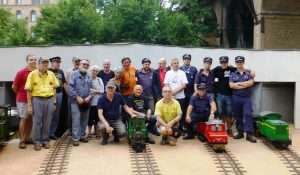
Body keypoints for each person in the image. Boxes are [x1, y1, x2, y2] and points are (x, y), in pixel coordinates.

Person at [25, 58, 59, 151]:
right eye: (43, 63)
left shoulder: (51, 74)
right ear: (38, 64)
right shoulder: (32, 74)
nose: (45, 65)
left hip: (49, 99)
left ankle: (45, 140)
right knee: (37, 122)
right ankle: (37, 141)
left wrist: (54, 101)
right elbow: (28, 90)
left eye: (46, 63)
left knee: (47, 121)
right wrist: (29, 105)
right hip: (37, 99)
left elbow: (54, 88)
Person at [229, 56, 256, 143]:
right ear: (236, 63)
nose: (239, 64)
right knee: (238, 115)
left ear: (243, 62)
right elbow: (231, 85)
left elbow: (251, 83)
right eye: (237, 62)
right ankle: (240, 132)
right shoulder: (233, 74)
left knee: (248, 114)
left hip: (246, 98)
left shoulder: (248, 73)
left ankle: (249, 134)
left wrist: (238, 84)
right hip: (236, 98)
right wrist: (244, 84)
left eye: (241, 62)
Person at [12, 54, 37, 149]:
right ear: (27, 61)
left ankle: (27, 137)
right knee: (23, 118)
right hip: (22, 99)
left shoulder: (37, 72)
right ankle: (22, 140)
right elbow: (14, 87)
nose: (33, 61)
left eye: (35, 59)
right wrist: (20, 95)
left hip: (34, 99)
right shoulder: (21, 72)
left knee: (30, 119)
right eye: (31, 59)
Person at [69, 59, 93, 146]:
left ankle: (82, 135)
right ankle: (75, 138)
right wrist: (77, 97)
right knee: (76, 120)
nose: (85, 66)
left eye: (87, 64)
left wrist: (89, 97)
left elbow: (91, 89)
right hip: (75, 101)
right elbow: (70, 88)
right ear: (79, 65)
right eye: (84, 64)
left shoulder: (89, 75)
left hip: (87, 101)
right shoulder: (73, 74)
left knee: (84, 119)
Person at [212, 56, 236, 136]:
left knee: (229, 113)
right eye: (222, 62)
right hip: (219, 95)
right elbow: (207, 71)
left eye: (225, 62)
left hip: (229, 95)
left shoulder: (232, 69)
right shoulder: (216, 69)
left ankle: (229, 129)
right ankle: (221, 129)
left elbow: (241, 69)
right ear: (220, 62)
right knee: (220, 112)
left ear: (227, 62)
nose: (223, 64)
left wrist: (251, 71)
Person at [164, 58, 188, 132]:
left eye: (177, 63)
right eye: (174, 63)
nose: (176, 64)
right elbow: (166, 84)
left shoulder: (182, 73)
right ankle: (171, 128)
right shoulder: (168, 73)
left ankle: (180, 129)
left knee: (180, 113)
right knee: (171, 114)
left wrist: (173, 92)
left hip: (180, 97)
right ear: (171, 65)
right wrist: (171, 94)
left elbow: (184, 85)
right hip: (170, 97)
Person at [48, 56, 67, 140]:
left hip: (59, 94)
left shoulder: (61, 72)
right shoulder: (47, 71)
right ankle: (46, 133)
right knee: (48, 115)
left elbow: (64, 83)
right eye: (56, 62)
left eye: (59, 62)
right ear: (52, 62)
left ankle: (52, 133)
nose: (58, 64)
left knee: (56, 115)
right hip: (49, 95)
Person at [88, 65, 104, 138]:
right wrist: (97, 91)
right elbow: (87, 90)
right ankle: (89, 133)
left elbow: (102, 91)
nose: (94, 72)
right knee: (90, 118)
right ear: (90, 71)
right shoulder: (88, 79)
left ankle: (97, 132)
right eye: (93, 70)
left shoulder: (99, 79)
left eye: (96, 71)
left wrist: (94, 91)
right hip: (90, 102)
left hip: (98, 102)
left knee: (97, 118)